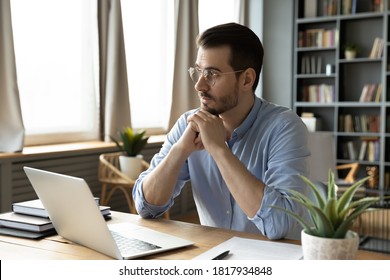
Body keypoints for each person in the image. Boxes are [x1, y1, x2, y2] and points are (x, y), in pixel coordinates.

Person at [133, 22, 310, 240]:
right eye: (198, 72)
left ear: (246, 79)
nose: (199, 85)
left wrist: (219, 150)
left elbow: (278, 225)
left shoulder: (285, 127)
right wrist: (180, 150)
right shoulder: (188, 124)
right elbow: (146, 207)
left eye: (212, 74)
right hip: (214, 257)